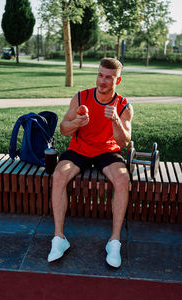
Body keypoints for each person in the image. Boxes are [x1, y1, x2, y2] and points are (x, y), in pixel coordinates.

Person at [48, 57, 134, 268]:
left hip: (107, 150)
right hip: (80, 148)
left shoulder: (123, 106)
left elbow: (124, 141)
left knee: (123, 180)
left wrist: (114, 119)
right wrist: (75, 122)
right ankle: (59, 239)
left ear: (118, 81)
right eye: (100, 75)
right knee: (58, 175)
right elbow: (63, 129)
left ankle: (114, 242)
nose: (102, 81)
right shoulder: (81, 97)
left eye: (109, 78)